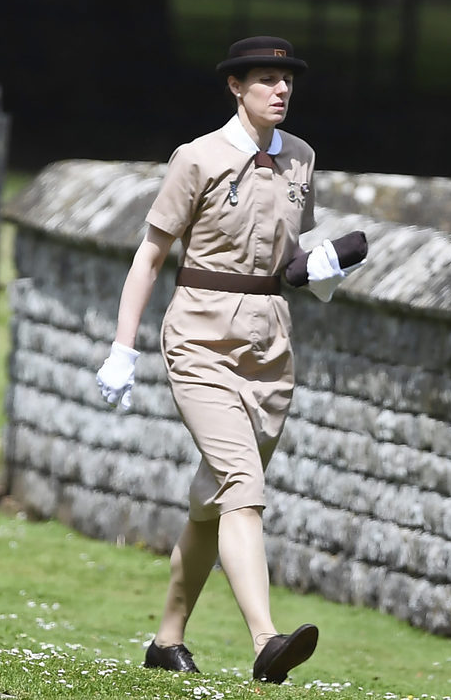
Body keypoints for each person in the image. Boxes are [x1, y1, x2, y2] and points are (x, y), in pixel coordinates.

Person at [96, 36, 366, 684]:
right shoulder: (197, 158)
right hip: (200, 336)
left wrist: (324, 268)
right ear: (235, 88)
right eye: (267, 79)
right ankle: (266, 639)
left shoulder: (301, 158)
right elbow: (151, 254)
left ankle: (166, 639)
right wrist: (120, 348)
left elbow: (291, 261)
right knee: (243, 485)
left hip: (272, 344)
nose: (281, 90)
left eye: (288, 80)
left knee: (211, 501)